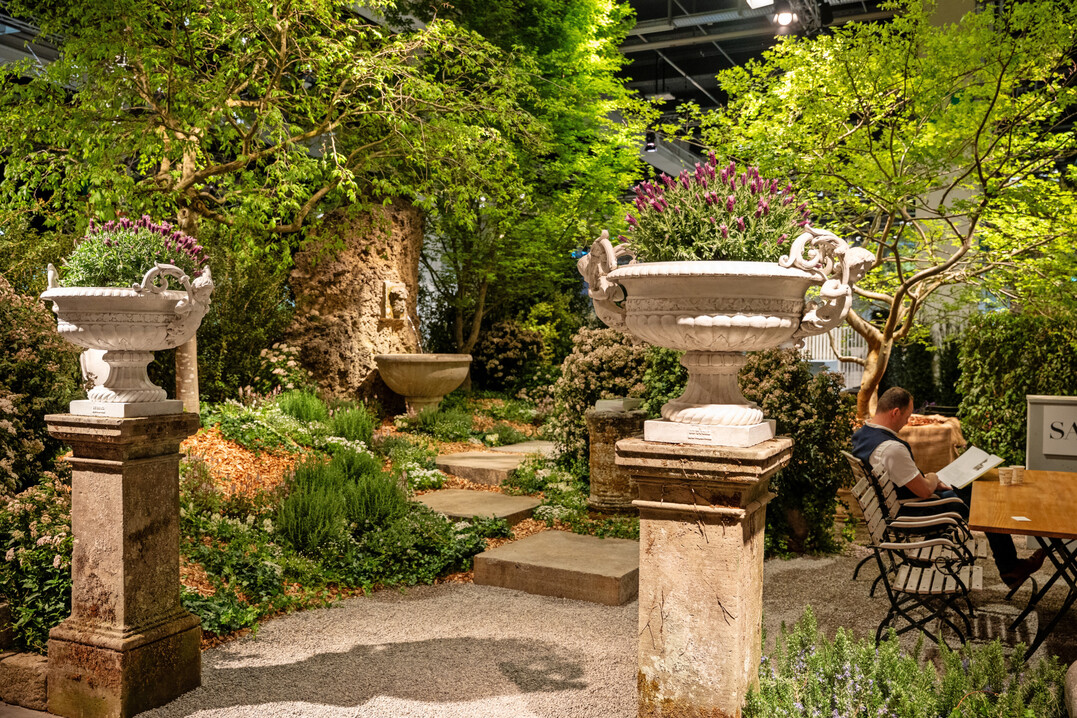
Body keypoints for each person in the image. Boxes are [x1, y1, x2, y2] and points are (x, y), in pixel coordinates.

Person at [851, 387, 1045, 590]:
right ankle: (1010, 567)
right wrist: (932, 478)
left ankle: (1009, 565)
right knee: (984, 501)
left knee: (970, 488)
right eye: (907, 416)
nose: (906, 422)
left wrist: (929, 482)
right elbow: (924, 491)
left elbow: (907, 481)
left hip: (898, 507)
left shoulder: (864, 435)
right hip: (913, 513)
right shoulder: (892, 449)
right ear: (895, 412)